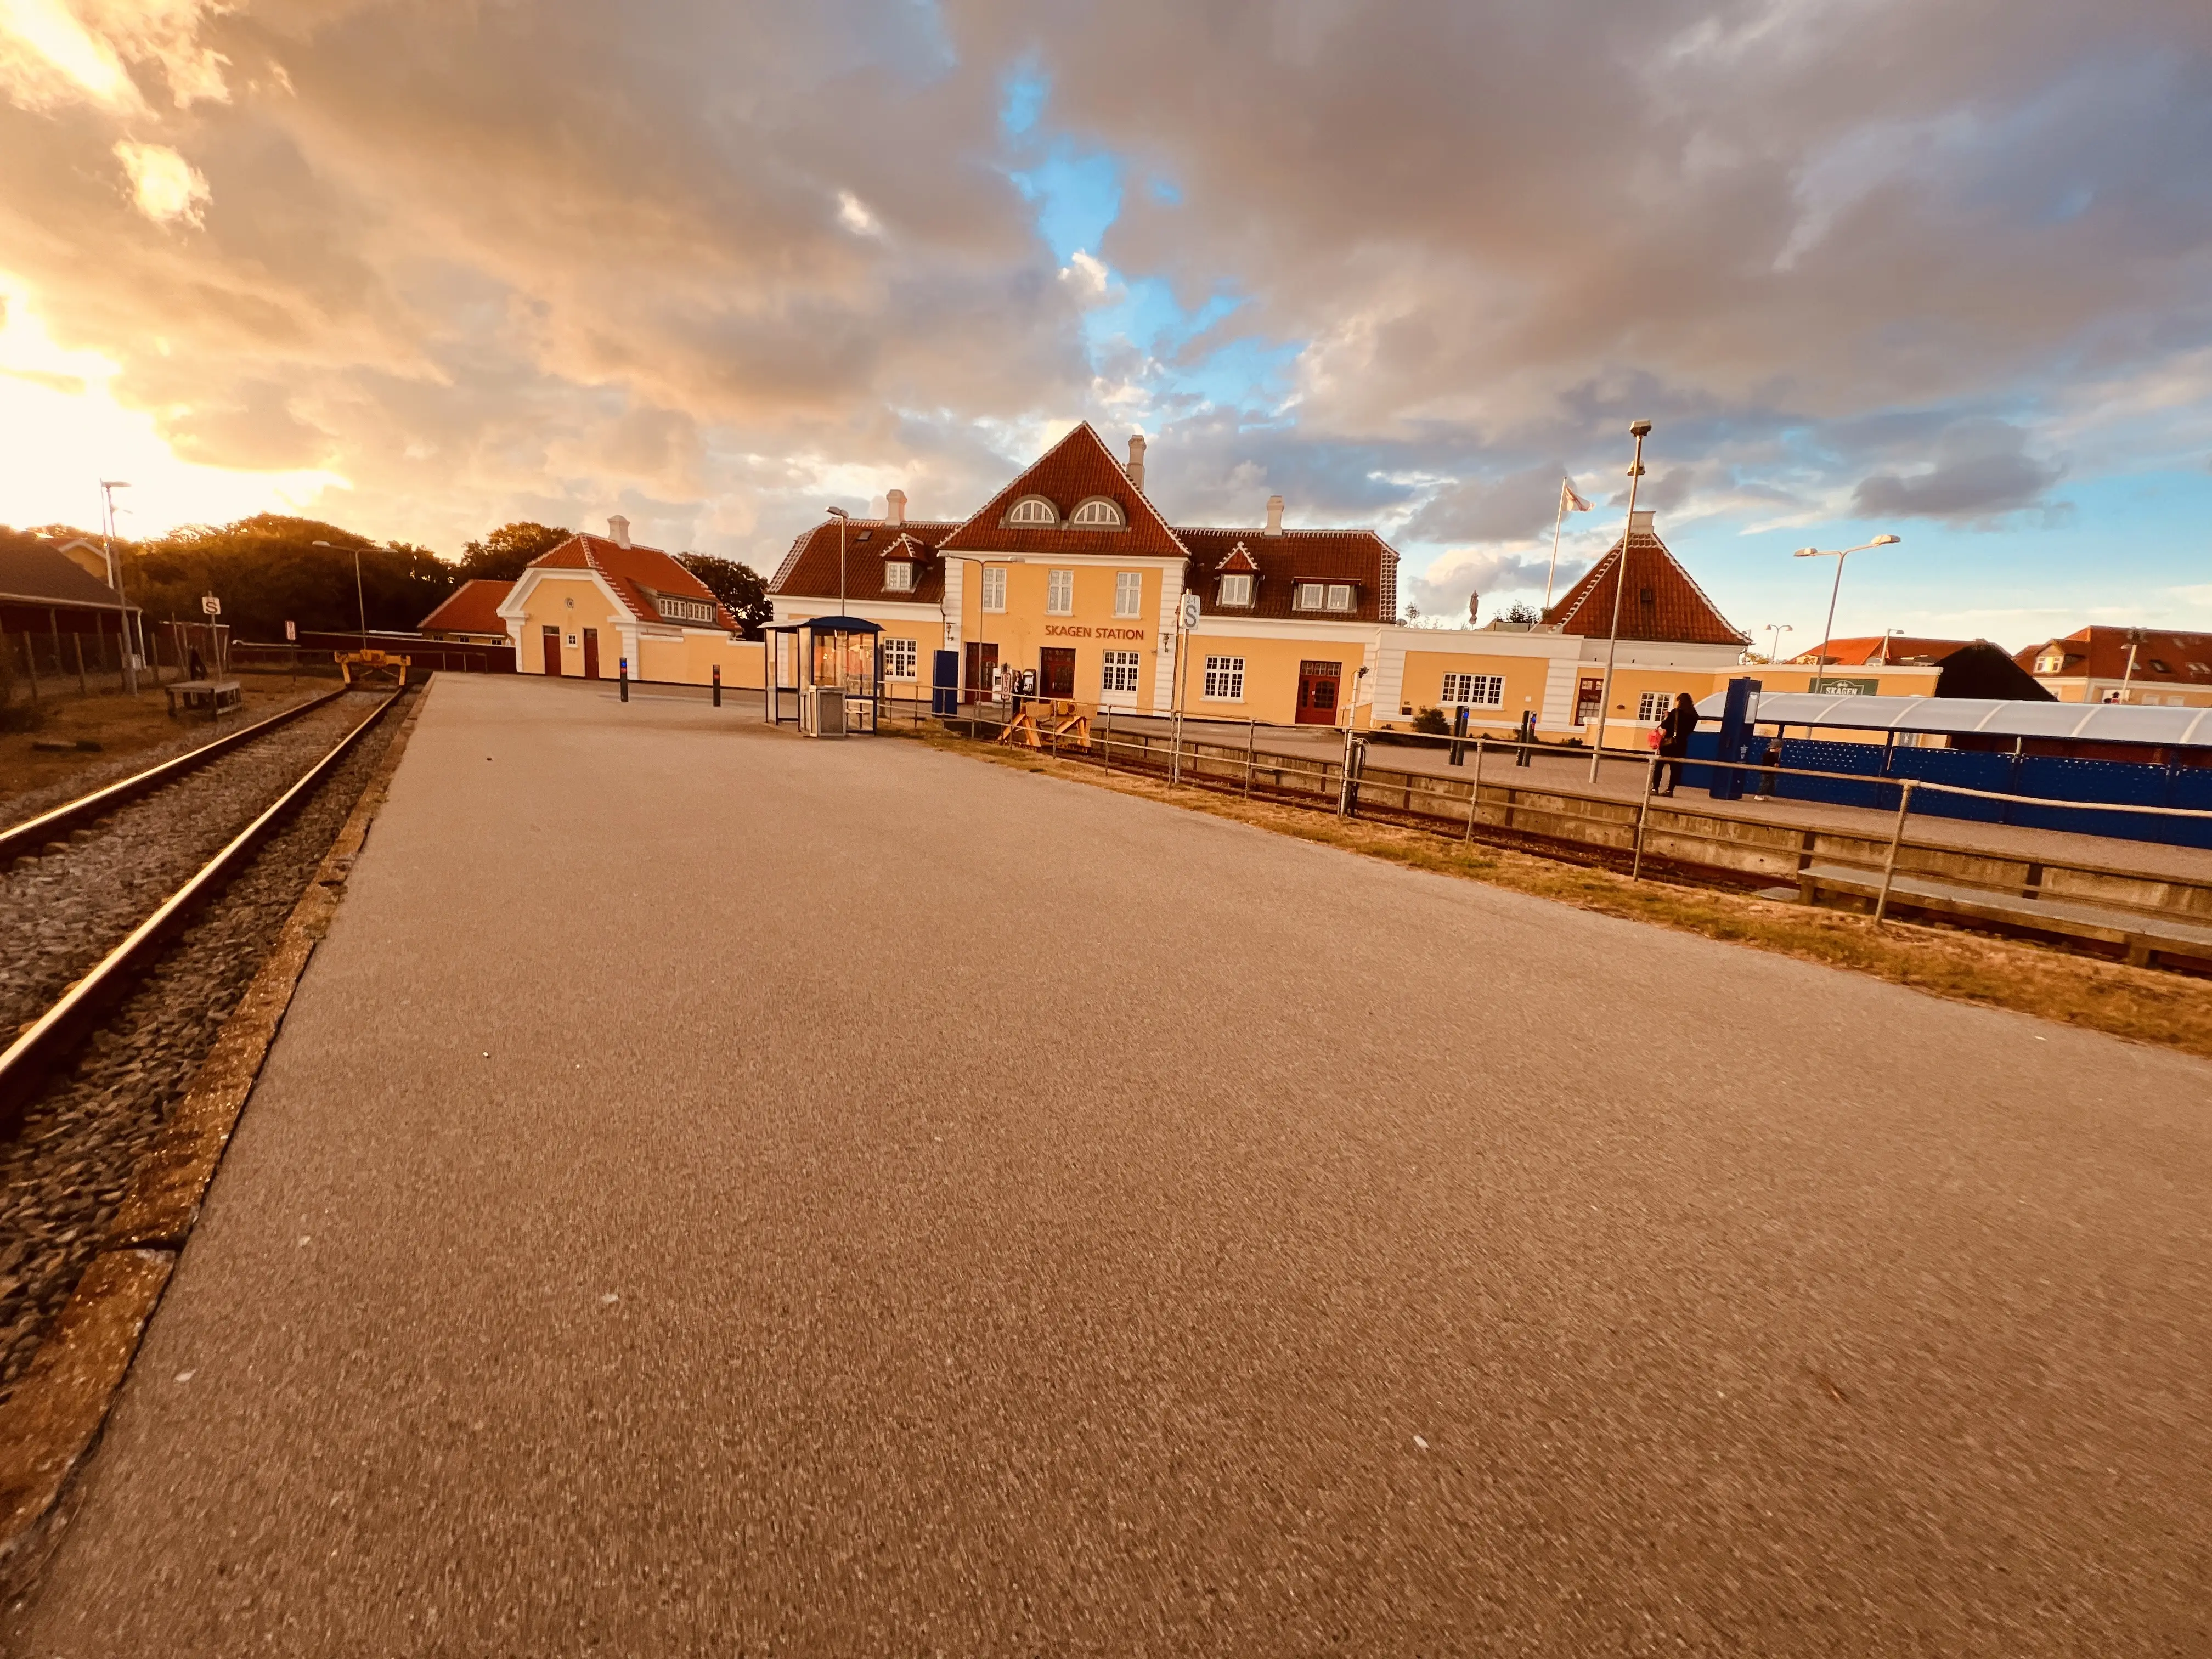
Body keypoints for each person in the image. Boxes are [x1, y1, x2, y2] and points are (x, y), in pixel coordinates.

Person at [1655, 691, 1697, 795]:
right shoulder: (1694, 715)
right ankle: (1670, 790)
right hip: (1682, 744)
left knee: (1659, 766)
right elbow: (1690, 730)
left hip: (1669, 743)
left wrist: (1667, 717)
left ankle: (1655, 789)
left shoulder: (1676, 712)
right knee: (1676, 768)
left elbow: (1664, 725)